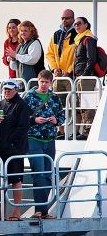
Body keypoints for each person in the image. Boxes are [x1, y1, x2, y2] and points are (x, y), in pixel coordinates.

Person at [24, 70, 65, 219]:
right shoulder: (28, 96)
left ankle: (43, 210)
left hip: (50, 139)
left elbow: (62, 116)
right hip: (34, 139)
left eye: (47, 82)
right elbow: (21, 117)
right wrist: (34, 120)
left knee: (47, 175)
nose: (44, 85)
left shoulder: (54, 97)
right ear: (38, 81)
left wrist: (56, 121)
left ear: (51, 83)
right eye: (42, 81)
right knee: (38, 175)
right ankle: (39, 210)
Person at [0, 80, 30, 221]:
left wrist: (11, 140)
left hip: (15, 149)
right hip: (0, 148)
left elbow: (24, 127)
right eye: (4, 90)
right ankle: (0, 210)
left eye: (9, 89)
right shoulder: (1, 103)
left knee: (16, 179)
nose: (6, 92)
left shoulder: (22, 105)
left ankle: (16, 211)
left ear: (16, 90)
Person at [46, 9, 77, 139]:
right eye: (63, 18)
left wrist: (69, 70)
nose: (65, 20)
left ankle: (76, 131)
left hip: (72, 76)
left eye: (68, 18)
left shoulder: (77, 34)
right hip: (59, 77)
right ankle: (61, 130)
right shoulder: (56, 34)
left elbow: (78, 55)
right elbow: (50, 54)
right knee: (59, 104)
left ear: (73, 19)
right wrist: (54, 68)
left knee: (76, 103)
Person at [73, 16, 98, 140]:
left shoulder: (88, 39)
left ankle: (88, 131)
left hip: (86, 77)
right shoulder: (79, 40)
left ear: (86, 25)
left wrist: (85, 74)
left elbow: (91, 58)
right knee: (82, 104)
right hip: (80, 77)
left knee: (88, 104)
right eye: (75, 24)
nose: (76, 26)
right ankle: (85, 129)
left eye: (79, 23)